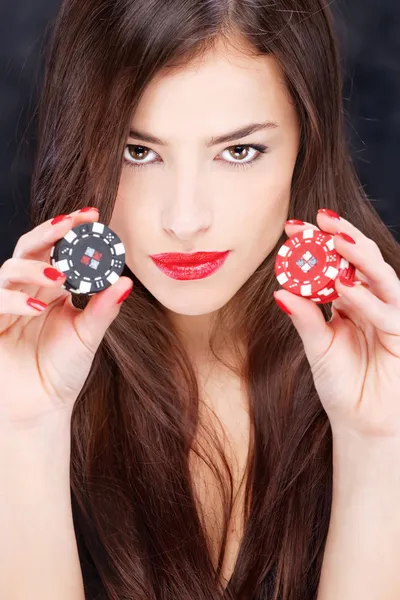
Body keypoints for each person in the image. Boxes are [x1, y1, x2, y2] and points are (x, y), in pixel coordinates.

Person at [1, 0, 400, 599]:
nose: (184, 219)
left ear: (306, 146)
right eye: (138, 151)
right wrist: (24, 429)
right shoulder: (17, 364)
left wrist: (377, 444)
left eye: (238, 151)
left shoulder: (388, 356)